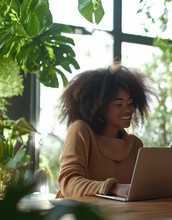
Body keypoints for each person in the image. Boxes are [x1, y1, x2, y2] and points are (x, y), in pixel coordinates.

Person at [56, 62, 154, 198]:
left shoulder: (135, 145)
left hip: (121, 216)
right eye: (119, 104)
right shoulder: (81, 130)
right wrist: (113, 188)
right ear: (99, 108)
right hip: (80, 215)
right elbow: (68, 183)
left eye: (131, 103)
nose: (129, 109)